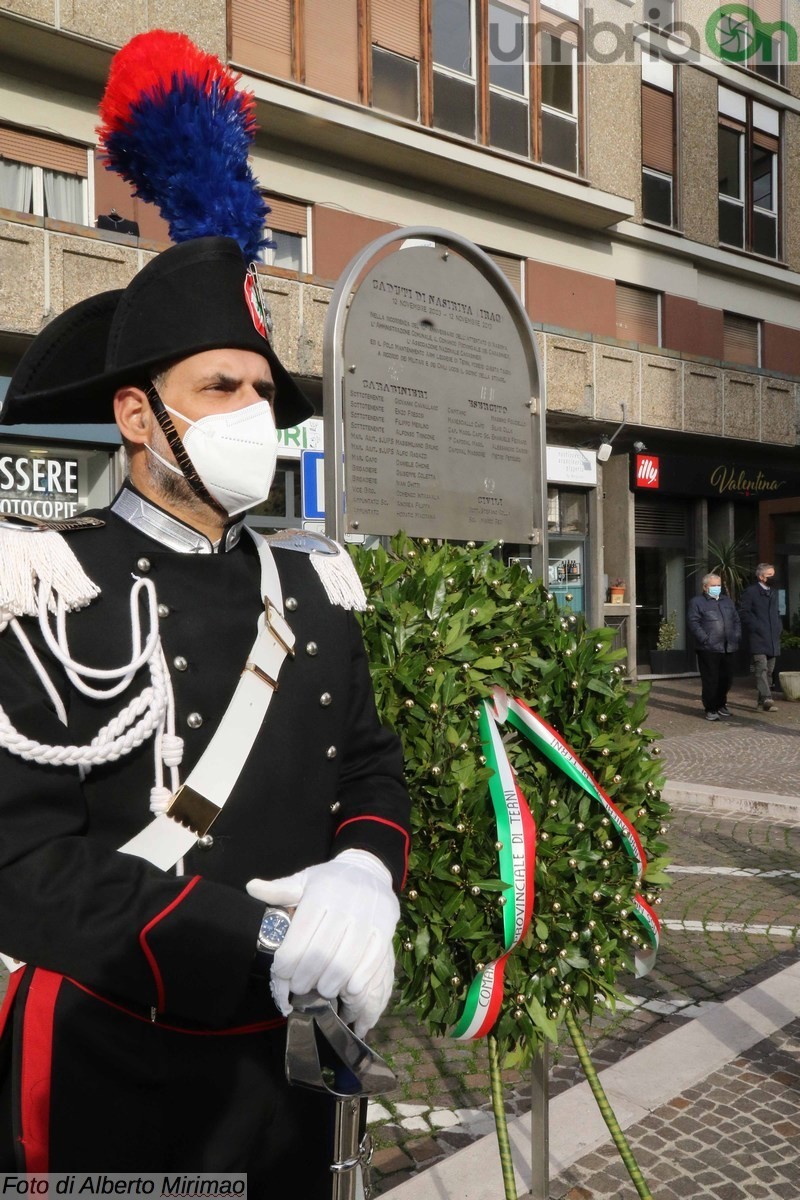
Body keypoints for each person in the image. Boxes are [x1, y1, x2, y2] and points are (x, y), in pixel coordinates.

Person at [0, 233, 410, 1190]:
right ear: (139, 416)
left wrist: (364, 872)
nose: (255, 414)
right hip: (115, 1065)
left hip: (281, 1071)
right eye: (222, 389)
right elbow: (25, 864)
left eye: (264, 392)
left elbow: (368, 766)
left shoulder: (313, 586)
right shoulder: (50, 584)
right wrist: (265, 938)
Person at [687, 573, 741, 721]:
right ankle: (710, 708)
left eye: (718, 585)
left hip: (728, 646)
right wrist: (705, 639)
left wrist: (736, 636)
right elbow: (693, 623)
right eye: (713, 585)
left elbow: (736, 620)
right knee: (711, 680)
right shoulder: (697, 602)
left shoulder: (727, 601)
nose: (717, 588)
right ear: (705, 587)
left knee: (727, 679)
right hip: (708, 648)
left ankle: (721, 704)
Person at [738, 563, 783, 711]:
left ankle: (761, 703)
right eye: (770, 575)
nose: (773, 578)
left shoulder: (774, 592)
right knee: (761, 668)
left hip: (772, 638)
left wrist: (778, 627)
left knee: (770, 671)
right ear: (761, 577)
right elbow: (744, 612)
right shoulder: (751, 592)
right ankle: (767, 697)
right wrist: (756, 627)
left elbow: (776, 612)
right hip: (758, 638)